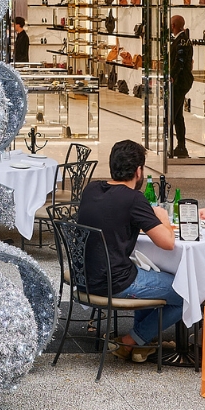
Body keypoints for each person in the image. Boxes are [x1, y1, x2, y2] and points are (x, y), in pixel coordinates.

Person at [77, 139, 183, 363]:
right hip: (114, 282)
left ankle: (142, 344)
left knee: (149, 275)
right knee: (188, 291)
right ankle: (132, 341)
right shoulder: (134, 199)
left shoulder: (91, 189)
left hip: (85, 278)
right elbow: (167, 243)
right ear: (139, 170)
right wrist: (162, 219)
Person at [170, 14, 193, 158]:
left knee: (172, 114)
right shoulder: (183, 39)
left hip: (179, 82)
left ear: (174, 26)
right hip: (180, 81)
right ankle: (181, 147)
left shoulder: (182, 41)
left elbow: (179, 61)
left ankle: (178, 146)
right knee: (177, 116)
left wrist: (171, 75)